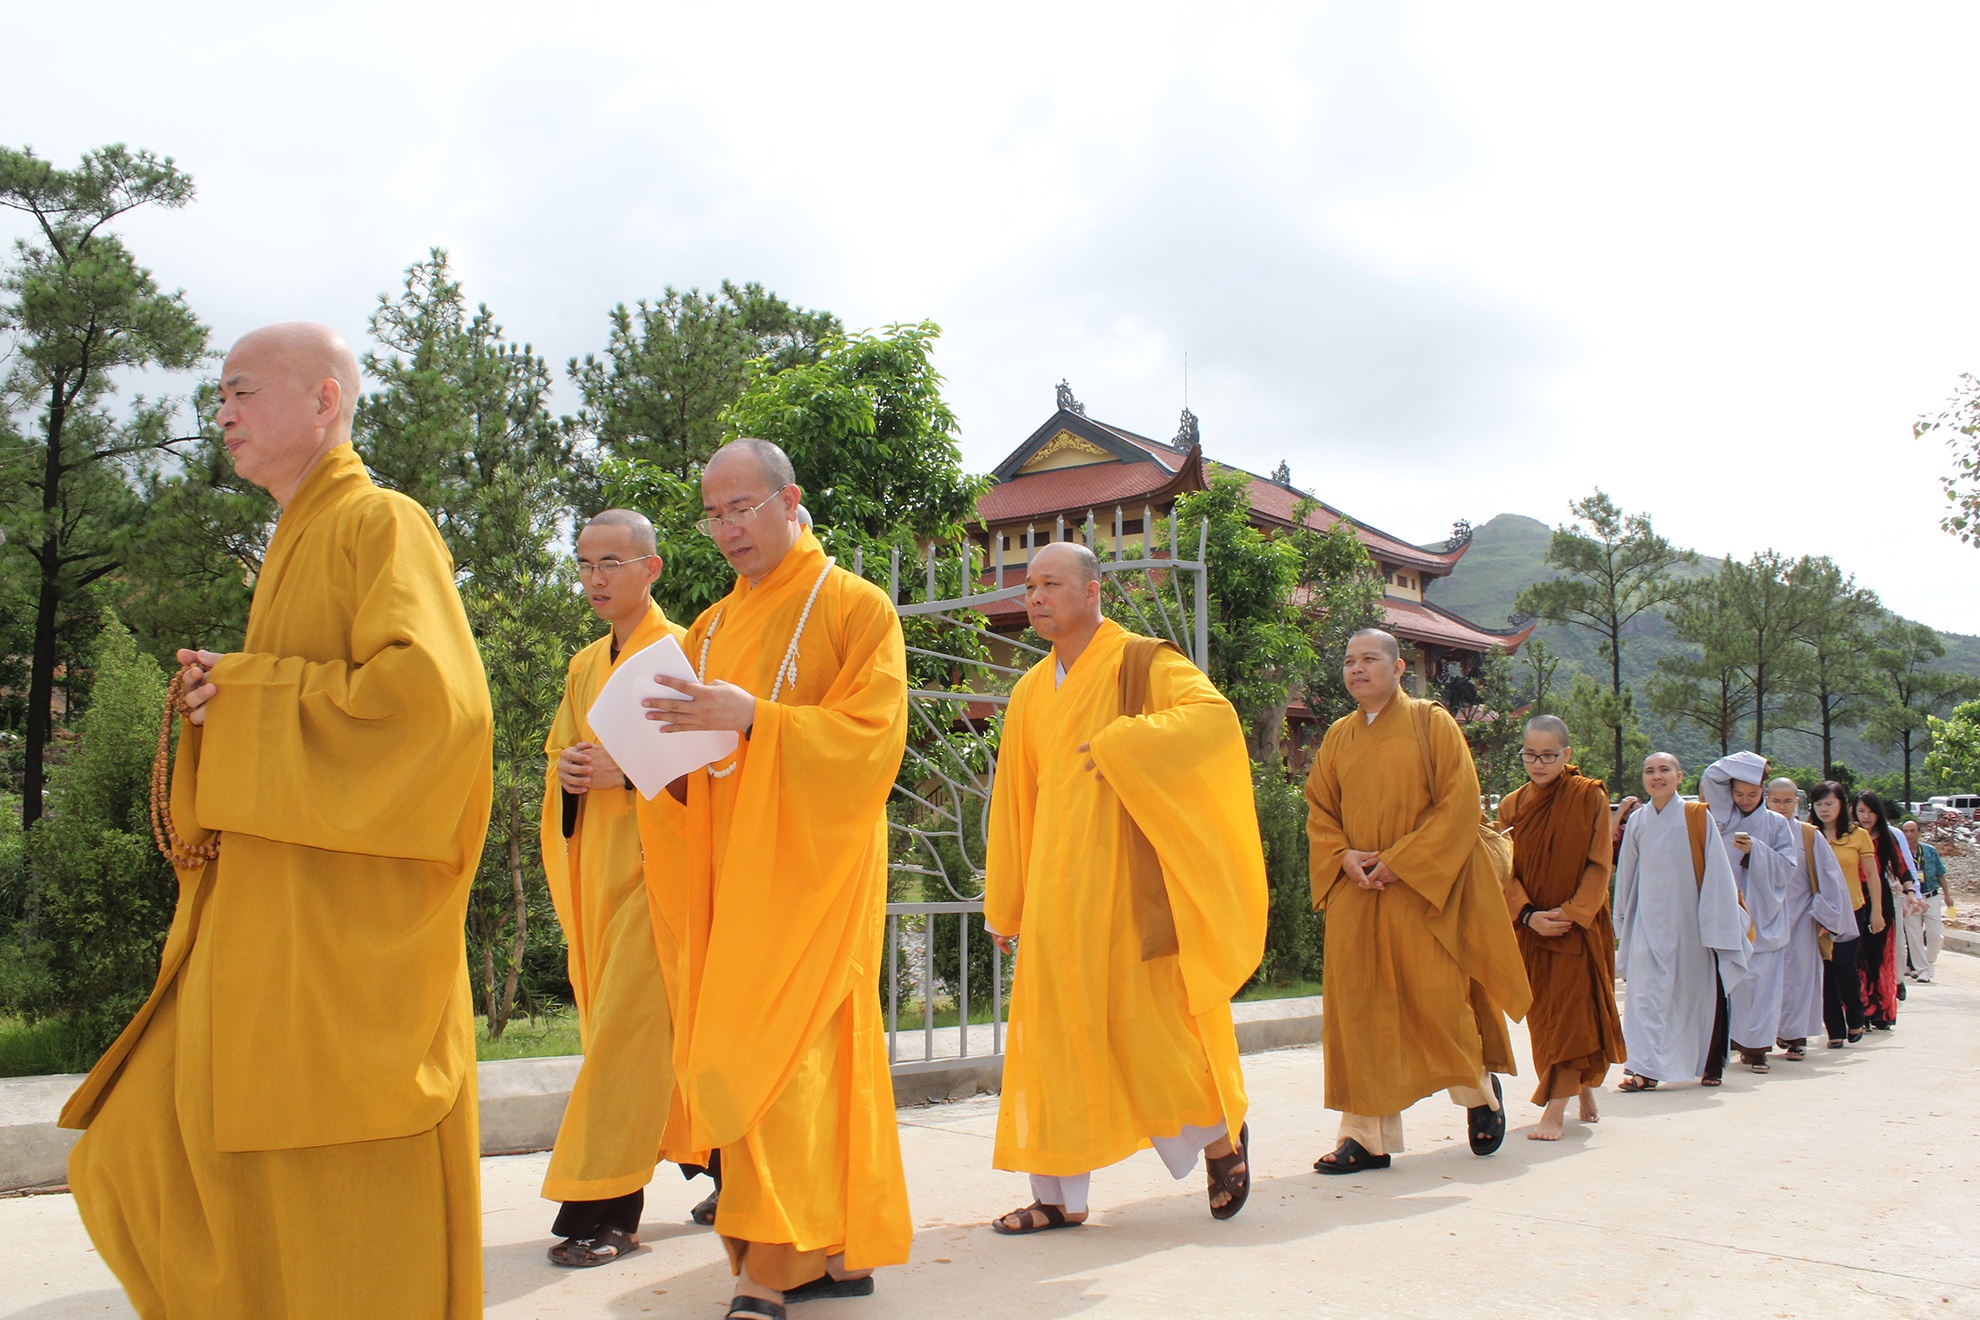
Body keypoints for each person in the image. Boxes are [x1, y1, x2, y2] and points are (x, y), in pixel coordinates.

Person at [60, 324, 493, 1317]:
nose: (222, 415)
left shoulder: (382, 522)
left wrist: (248, 697)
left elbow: (439, 713)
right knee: (138, 1154)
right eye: (219, 398)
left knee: (335, 1195)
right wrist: (238, 697)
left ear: (325, 403)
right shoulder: (295, 540)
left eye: (242, 392)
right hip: (268, 925)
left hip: (345, 947)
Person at [636, 439, 911, 1320]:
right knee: (743, 1055)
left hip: (818, 876)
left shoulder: (854, 607)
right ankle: (831, 1245)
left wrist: (756, 717)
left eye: (742, 509)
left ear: (790, 500)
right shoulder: (708, 629)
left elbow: (872, 741)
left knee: (796, 1058)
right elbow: (694, 771)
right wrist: (653, 762)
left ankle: (772, 1264)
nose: (727, 530)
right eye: (713, 515)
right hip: (729, 878)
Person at [983, 543, 1266, 1233]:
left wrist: (1125, 743)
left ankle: (1219, 1134)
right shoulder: (1028, 691)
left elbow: (1212, 720)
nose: (1036, 597)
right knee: (1051, 1039)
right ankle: (1057, 1197)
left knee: (1152, 1027)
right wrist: (1006, 901)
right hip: (1055, 890)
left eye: (1052, 583)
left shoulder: (1143, 661)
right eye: (1028, 588)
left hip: (1129, 883)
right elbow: (1014, 801)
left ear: (1094, 591)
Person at [1304, 630, 1531, 1173]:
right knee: (1358, 1010)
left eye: (1370, 659)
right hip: (1357, 892)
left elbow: (1458, 803)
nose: (1357, 669)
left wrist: (1401, 860)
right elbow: (1319, 810)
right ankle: (1365, 1136)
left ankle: (1479, 1091)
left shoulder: (1432, 723)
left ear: (1399, 666)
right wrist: (1342, 856)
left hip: (1422, 890)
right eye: (1349, 660)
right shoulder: (1338, 736)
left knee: (1437, 1002)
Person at [538, 509, 693, 1266]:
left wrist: (625, 773)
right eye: (585, 565)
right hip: (599, 872)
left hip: (660, 880)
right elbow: (565, 756)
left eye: (611, 564)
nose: (596, 579)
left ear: (650, 568)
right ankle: (730, 1164)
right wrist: (570, 772)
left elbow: (709, 775)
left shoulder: (681, 654)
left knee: (627, 1040)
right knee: (638, 1036)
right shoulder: (582, 664)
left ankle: (605, 1208)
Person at [1494, 715, 1625, 1141]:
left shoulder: (1588, 797)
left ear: (1566, 755)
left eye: (1548, 756)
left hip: (1576, 926)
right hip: (1532, 928)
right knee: (1545, 1019)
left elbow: (1599, 863)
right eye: (1530, 755)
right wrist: (1529, 915)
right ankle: (1584, 1088)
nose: (1539, 764)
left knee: (1571, 1015)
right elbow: (1503, 869)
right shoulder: (1512, 806)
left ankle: (1554, 1109)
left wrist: (1569, 914)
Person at [1614, 752, 1750, 1091]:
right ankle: (1644, 1068)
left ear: (1679, 776)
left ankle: (1704, 1061)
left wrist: (1716, 926)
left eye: (1664, 770)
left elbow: (1718, 872)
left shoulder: (1696, 817)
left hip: (1691, 924)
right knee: (1644, 995)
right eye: (1649, 771)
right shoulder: (1638, 821)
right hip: (1647, 922)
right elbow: (1627, 877)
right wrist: (1622, 923)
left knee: (1693, 996)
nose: (1656, 776)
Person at [1700, 752, 1798, 1074]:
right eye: (1738, 794)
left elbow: (1788, 869)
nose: (1745, 800)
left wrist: (1757, 851)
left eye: (1753, 794)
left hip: (1764, 911)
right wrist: (1754, 764)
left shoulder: (1777, 824)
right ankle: (1729, 1038)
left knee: (1762, 983)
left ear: (1764, 793)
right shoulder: (1721, 821)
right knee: (1731, 979)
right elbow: (1712, 773)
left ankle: (1757, 1048)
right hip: (1729, 910)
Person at [1764, 779, 1856, 1060]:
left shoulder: (1808, 835)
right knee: (1763, 980)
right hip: (1764, 920)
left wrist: (1827, 918)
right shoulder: (1756, 833)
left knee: (1801, 979)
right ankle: (1760, 1038)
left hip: (1801, 918)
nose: (1782, 807)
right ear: (1766, 800)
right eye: (1776, 801)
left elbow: (1830, 879)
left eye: (1788, 801)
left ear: (1797, 803)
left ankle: (1796, 1037)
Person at [1811, 782, 1874, 1047]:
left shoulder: (1857, 835)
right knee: (1825, 970)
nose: (1824, 810)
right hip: (1819, 914)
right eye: (1819, 804)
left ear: (1841, 805)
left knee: (1845, 966)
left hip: (1852, 910)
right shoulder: (1808, 835)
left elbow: (1871, 875)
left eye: (1830, 804)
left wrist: (1878, 912)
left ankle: (1856, 1018)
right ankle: (1835, 1031)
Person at [1853, 792, 1910, 1030]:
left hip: (1881, 900)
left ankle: (1881, 1011)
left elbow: (1901, 867)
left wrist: (1911, 892)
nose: (1866, 816)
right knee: (1857, 955)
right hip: (1854, 897)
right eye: (1861, 811)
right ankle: (1859, 1009)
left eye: (1871, 811)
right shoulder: (1848, 836)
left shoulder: (1887, 837)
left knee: (1880, 954)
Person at [1902, 819, 1946, 984]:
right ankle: (1922, 970)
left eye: (1912, 831)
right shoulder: (1899, 852)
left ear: (1919, 832)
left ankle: (1929, 961)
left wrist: (1947, 895)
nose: (1909, 835)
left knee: (1935, 933)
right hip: (1910, 898)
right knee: (1914, 935)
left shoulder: (1929, 851)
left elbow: (1940, 873)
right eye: (1905, 831)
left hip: (1931, 895)